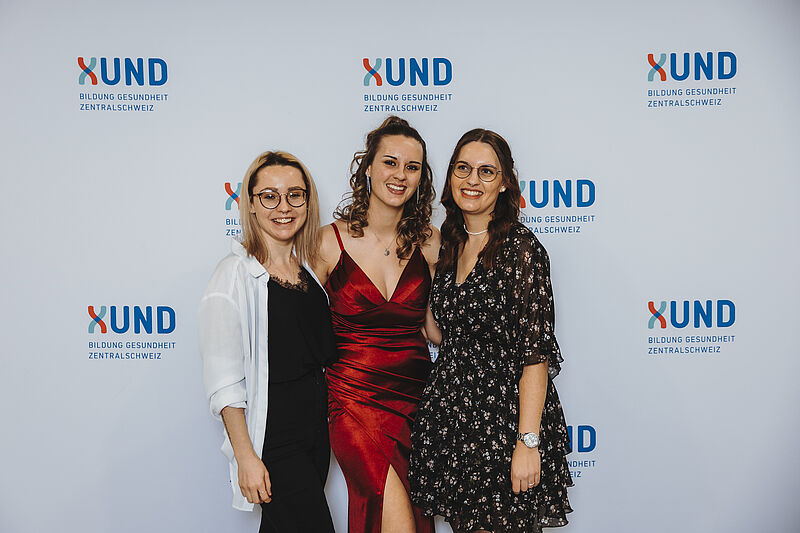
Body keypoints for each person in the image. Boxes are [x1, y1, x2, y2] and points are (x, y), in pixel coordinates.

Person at [408, 129, 573, 533]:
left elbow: (535, 355)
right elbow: (444, 335)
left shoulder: (520, 249)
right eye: (463, 168)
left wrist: (527, 443)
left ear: (504, 183)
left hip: (503, 423)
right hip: (454, 420)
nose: (472, 180)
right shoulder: (450, 243)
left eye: (486, 171)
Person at [313, 116, 439, 533]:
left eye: (412, 167)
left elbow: (436, 330)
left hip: (415, 400)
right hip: (353, 399)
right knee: (393, 514)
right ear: (368, 167)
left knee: (413, 516)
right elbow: (299, 328)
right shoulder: (326, 242)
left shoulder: (430, 242)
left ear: (421, 177)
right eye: (390, 162)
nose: (400, 175)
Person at [199, 151, 336, 533]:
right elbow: (224, 382)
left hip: (315, 437)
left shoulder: (307, 272)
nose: (284, 207)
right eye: (270, 196)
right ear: (251, 204)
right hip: (274, 441)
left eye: (295, 195)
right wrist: (246, 457)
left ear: (307, 202)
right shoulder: (233, 276)